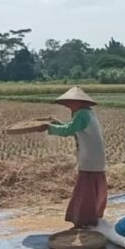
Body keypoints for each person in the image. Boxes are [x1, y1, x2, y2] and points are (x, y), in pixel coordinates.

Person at [46, 87, 107, 229]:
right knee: (94, 186)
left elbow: (68, 130)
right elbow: (71, 127)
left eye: (70, 103)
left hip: (90, 158)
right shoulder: (87, 114)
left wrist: (49, 127)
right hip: (95, 157)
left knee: (87, 188)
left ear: (78, 102)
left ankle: (85, 219)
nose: (68, 106)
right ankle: (93, 215)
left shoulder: (82, 115)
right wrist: (56, 124)